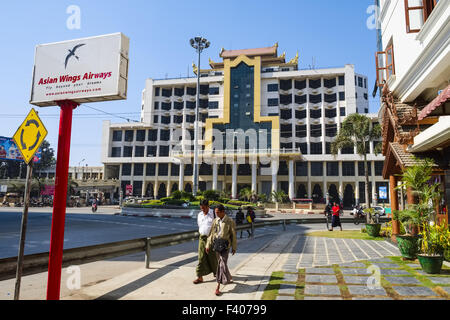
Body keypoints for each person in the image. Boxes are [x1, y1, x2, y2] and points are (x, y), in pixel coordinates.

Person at [206, 204, 237, 296]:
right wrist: (208, 245)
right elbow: (211, 234)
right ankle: (229, 277)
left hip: (225, 246)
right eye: (215, 213)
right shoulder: (215, 221)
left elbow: (233, 235)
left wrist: (234, 247)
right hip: (216, 245)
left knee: (221, 264)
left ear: (223, 212)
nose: (216, 214)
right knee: (222, 263)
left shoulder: (229, 221)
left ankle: (218, 287)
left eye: (218, 212)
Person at [193, 200, 218, 285]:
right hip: (202, 238)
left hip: (211, 238)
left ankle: (216, 273)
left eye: (204, 208)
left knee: (212, 257)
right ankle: (199, 276)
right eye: (201, 208)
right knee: (201, 257)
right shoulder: (199, 215)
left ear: (208, 206)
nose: (203, 209)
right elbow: (199, 225)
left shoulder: (214, 213)